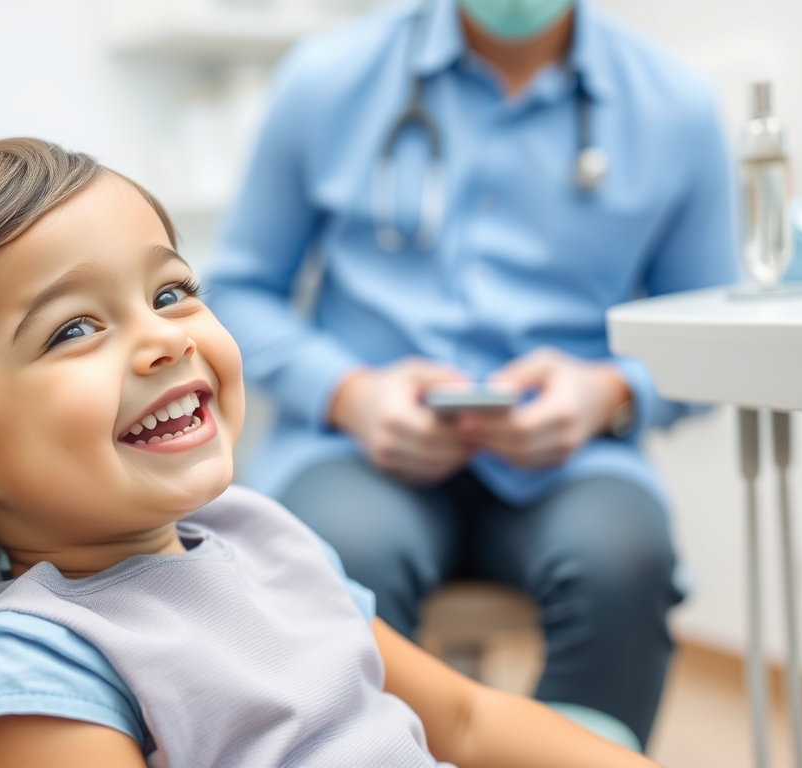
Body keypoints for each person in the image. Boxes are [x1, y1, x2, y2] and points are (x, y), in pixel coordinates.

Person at [0, 139, 657, 768]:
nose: (164, 339)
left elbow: (462, 719)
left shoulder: (261, 534)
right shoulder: (37, 665)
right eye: (73, 329)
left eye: (171, 290)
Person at [204, 0, 738, 749]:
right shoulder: (326, 80)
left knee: (624, 561)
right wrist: (350, 395)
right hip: (355, 453)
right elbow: (234, 293)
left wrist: (609, 395)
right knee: (330, 559)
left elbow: (714, 331)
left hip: (573, 463)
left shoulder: (674, 106)